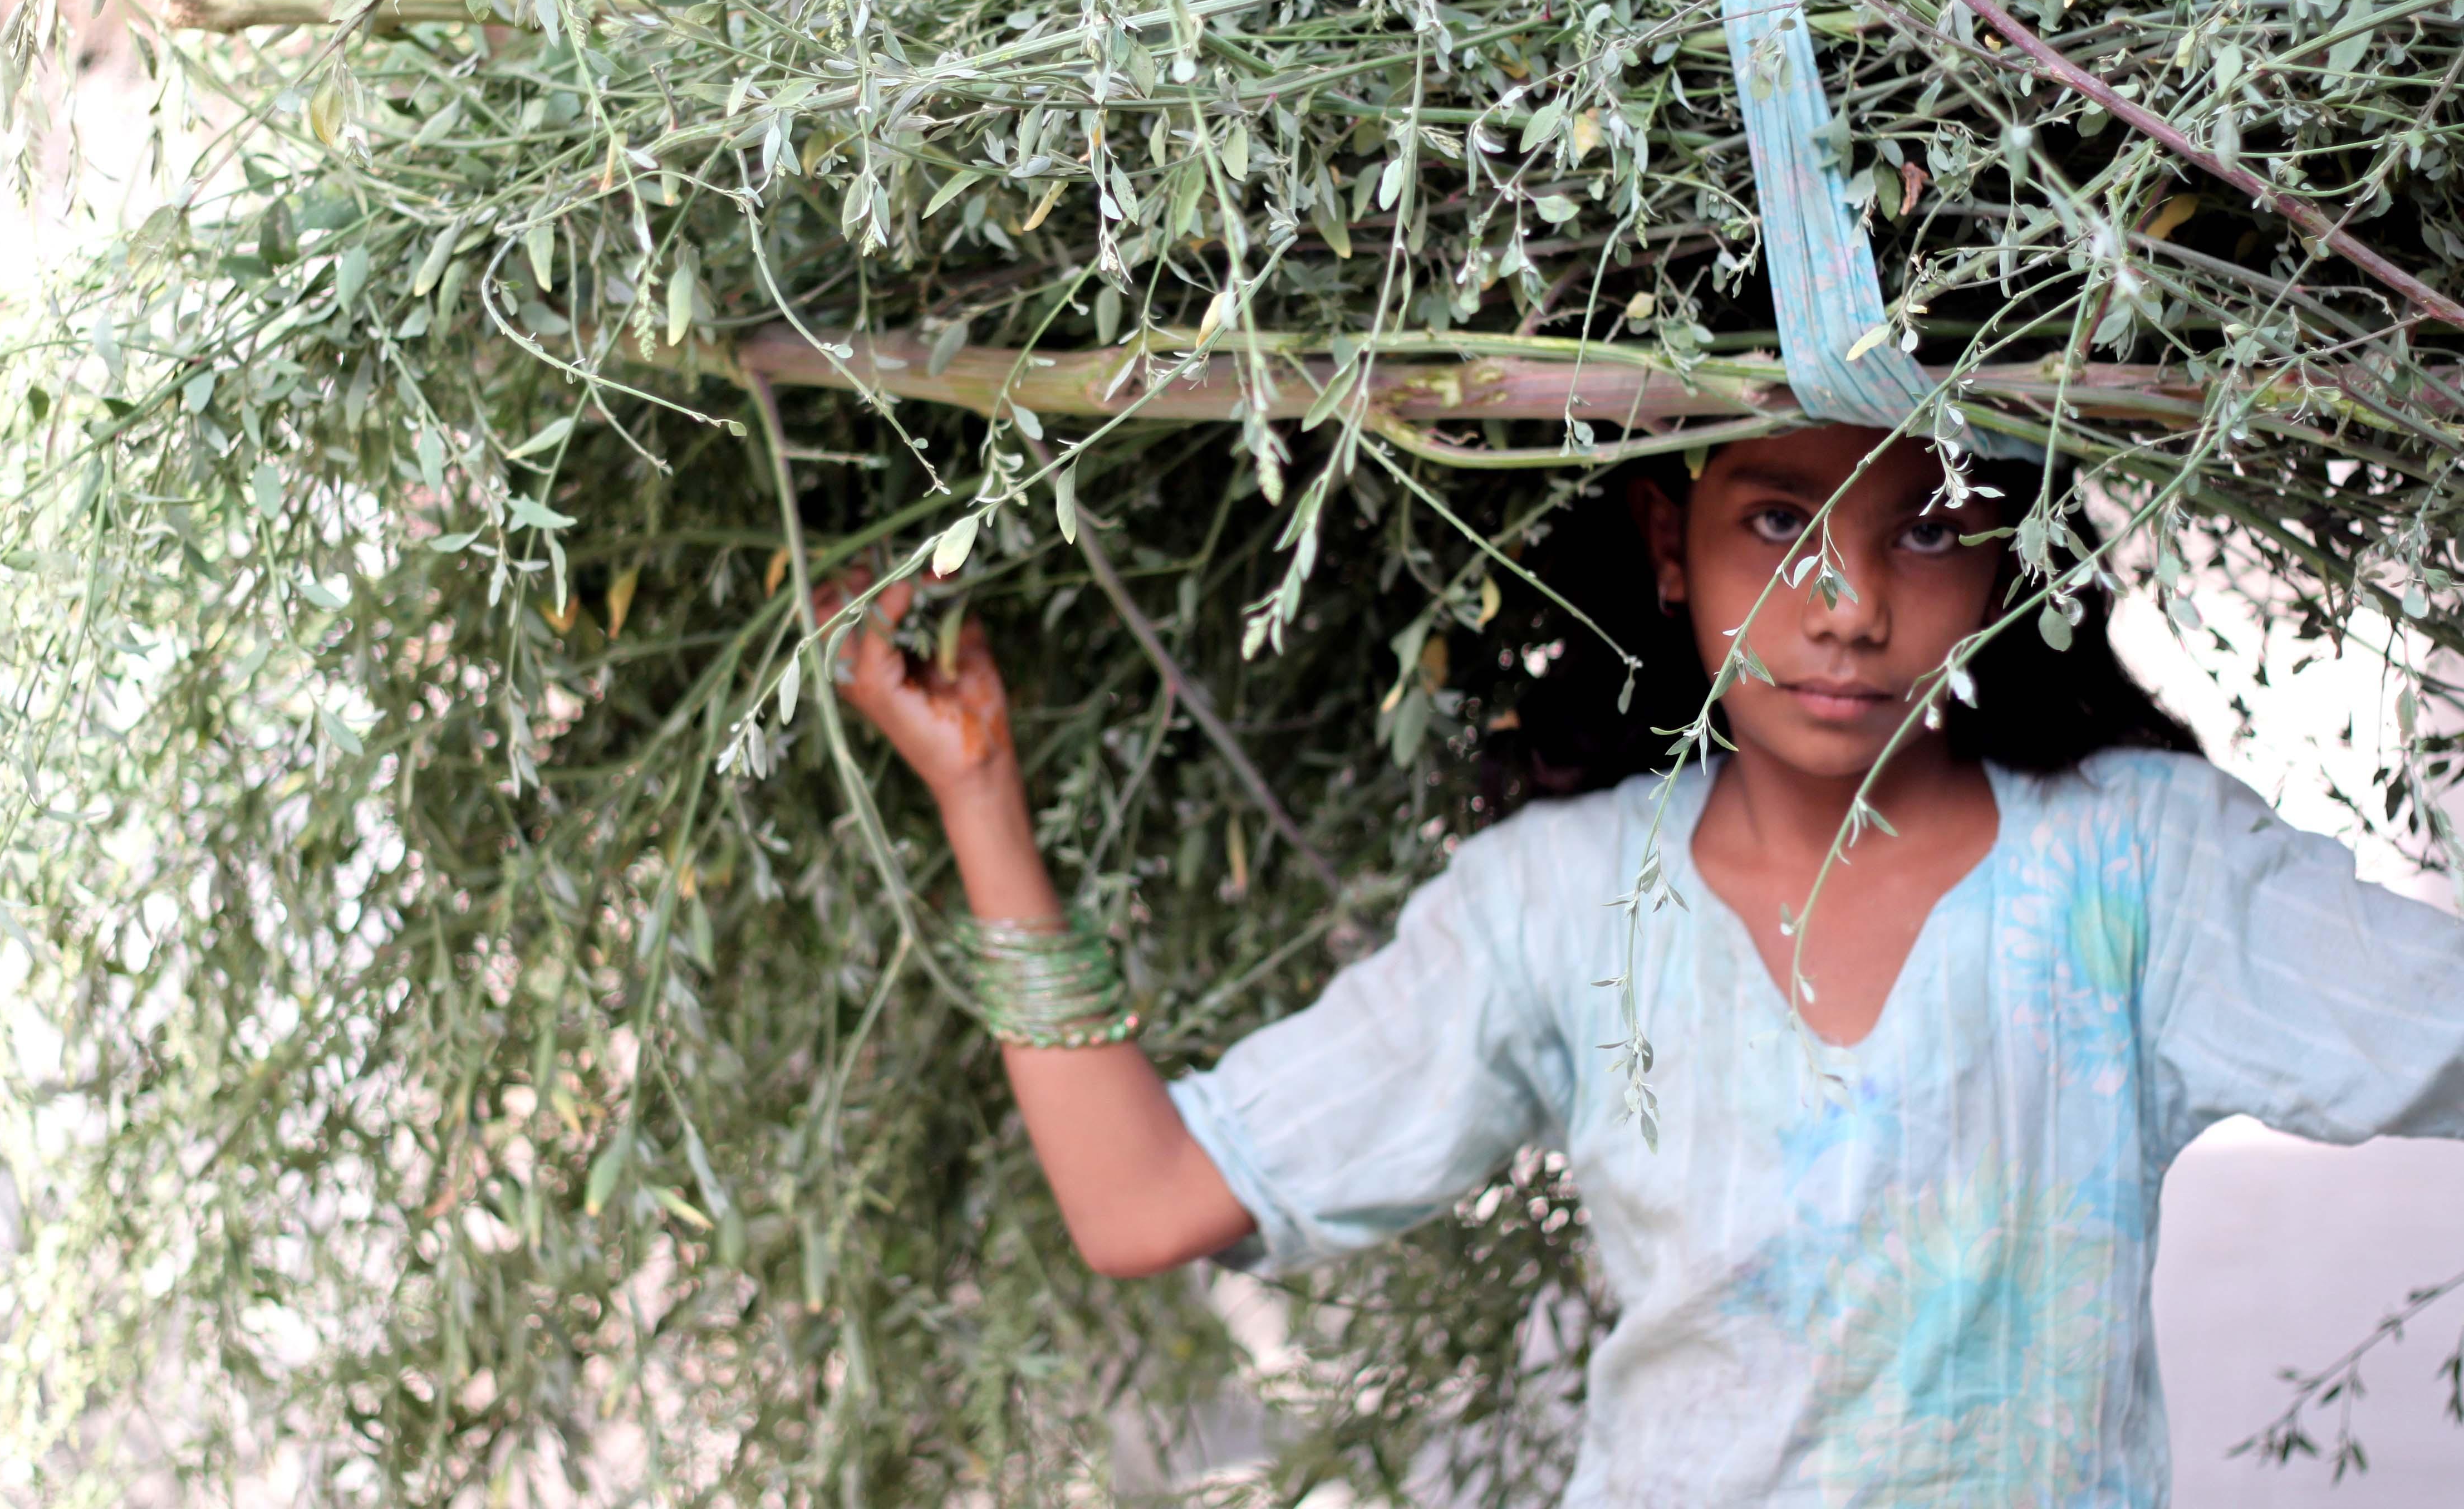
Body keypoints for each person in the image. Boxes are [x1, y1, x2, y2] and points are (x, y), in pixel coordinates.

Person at [815, 425, 2464, 1506]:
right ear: (1669, 545)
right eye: (1776, 522)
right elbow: (1144, 1198)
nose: (1849, 604)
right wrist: (979, 795)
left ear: (2009, 556)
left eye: (1932, 527)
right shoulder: (1560, 907)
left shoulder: (2137, 872)